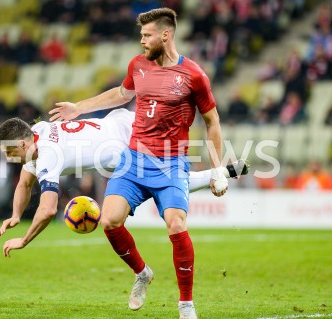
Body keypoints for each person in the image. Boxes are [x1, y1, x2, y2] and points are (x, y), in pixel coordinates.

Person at [48, 8, 227, 319]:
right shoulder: (138, 65)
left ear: (165, 35)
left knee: (176, 223)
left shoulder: (193, 75)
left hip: (171, 164)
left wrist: (221, 167)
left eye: (147, 35)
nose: (142, 41)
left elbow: (212, 122)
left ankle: (186, 305)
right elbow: (121, 94)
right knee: (109, 220)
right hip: (134, 160)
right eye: (141, 36)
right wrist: (79, 108)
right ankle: (142, 273)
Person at [0, 112, 246, 247]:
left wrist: (24, 240)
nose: (9, 158)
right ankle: (225, 172)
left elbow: (48, 210)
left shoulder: (48, 156)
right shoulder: (36, 132)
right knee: (169, 174)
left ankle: (219, 173)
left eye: (9, 152)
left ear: (21, 143)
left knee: (167, 184)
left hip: (122, 150)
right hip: (120, 119)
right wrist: (16, 214)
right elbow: (24, 183)